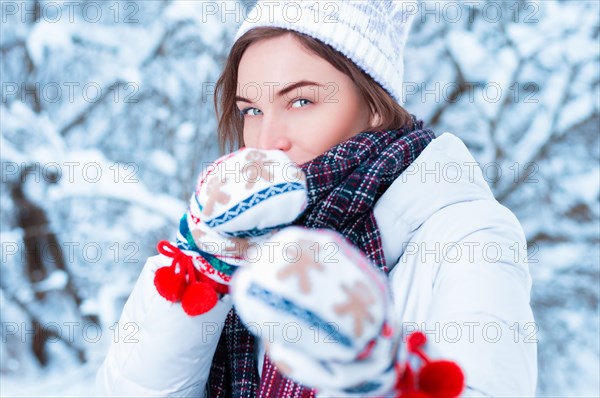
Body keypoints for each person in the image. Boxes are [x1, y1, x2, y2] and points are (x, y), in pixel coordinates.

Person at [96, 1, 538, 397]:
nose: (267, 141)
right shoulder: (247, 231)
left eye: (301, 101)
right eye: (251, 110)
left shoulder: (469, 236)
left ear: (375, 104)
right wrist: (205, 263)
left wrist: (379, 378)